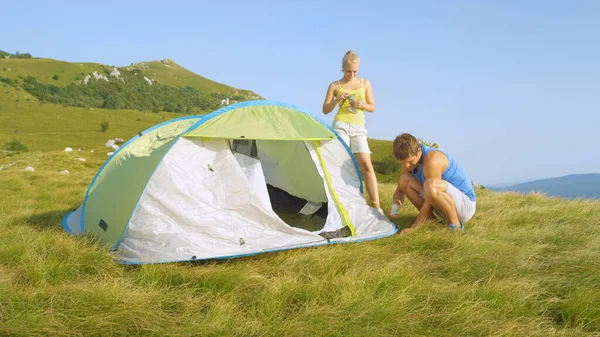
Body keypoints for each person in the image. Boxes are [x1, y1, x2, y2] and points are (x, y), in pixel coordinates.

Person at [322, 50, 382, 215]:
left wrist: (362, 104)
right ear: (343, 68)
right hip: (340, 126)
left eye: (355, 71)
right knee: (341, 165)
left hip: (358, 128)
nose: (352, 74)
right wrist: (337, 100)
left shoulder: (365, 84)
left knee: (366, 165)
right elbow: (325, 110)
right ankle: (341, 203)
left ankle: (377, 207)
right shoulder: (335, 86)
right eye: (349, 71)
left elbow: (372, 107)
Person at [389, 133, 476, 233]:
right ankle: (430, 220)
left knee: (431, 185)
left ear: (418, 151)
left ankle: (455, 226)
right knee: (404, 181)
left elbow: (431, 194)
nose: (407, 166)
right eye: (403, 163)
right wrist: (395, 208)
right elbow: (400, 190)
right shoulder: (408, 163)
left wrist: (416, 226)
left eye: (410, 162)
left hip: (464, 206)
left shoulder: (432, 160)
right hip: (442, 202)